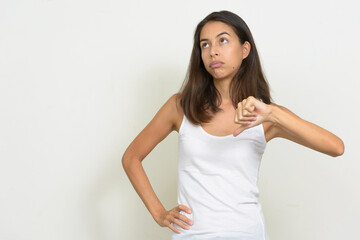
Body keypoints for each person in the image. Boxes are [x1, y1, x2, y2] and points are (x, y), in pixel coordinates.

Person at [122, 10, 344, 240]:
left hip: (247, 233)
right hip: (191, 235)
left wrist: (273, 113)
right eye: (205, 45)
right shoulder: (181, 106)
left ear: (245, 50)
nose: (213, 51)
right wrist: (159, 213)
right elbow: (131, 157)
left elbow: (336, 147)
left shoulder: (265, 115)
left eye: (223, 40)